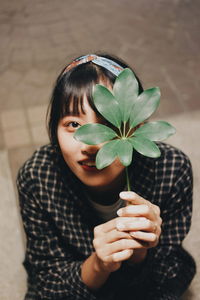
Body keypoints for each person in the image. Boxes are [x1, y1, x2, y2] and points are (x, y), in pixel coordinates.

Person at [16, 53, 196, 300]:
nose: (91, 144)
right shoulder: (37, 176)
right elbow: (49, 280)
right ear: (53, 128)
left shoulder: (172, 169)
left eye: (109, 124)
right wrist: (98, 265)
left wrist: (140, 252)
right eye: (74, 125)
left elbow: (169, 274)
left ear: (139, 127)